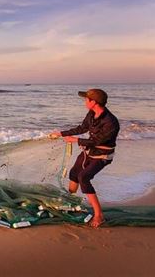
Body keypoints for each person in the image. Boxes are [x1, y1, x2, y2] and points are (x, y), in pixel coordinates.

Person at [50, 89, 120, 228]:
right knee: (74, 173)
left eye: (86, 99)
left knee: (84, 177)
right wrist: (61, 133)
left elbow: (97, 142)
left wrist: (76, 140)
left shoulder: (111, 122)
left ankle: (99, 215)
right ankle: (70, 202)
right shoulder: (92, 113)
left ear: (93, 102)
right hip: (89, 151)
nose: (84, 101)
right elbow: (82, 128)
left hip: (103, 155)